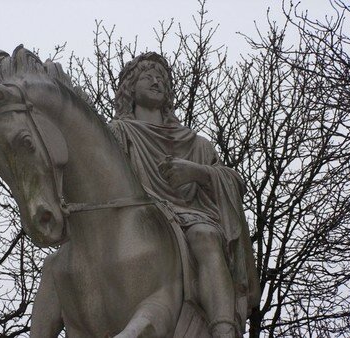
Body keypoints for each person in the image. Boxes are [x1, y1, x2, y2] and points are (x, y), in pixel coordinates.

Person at [109, 52, 260, 338]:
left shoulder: (197, 144)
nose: (156, 81)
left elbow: (235, 183)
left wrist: (197, 173)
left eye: (162, 78)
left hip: (191, 218)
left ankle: (223, 329)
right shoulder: (119, 133)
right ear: (130, 87)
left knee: (206, 235)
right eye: (147, 76)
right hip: (139, 218)